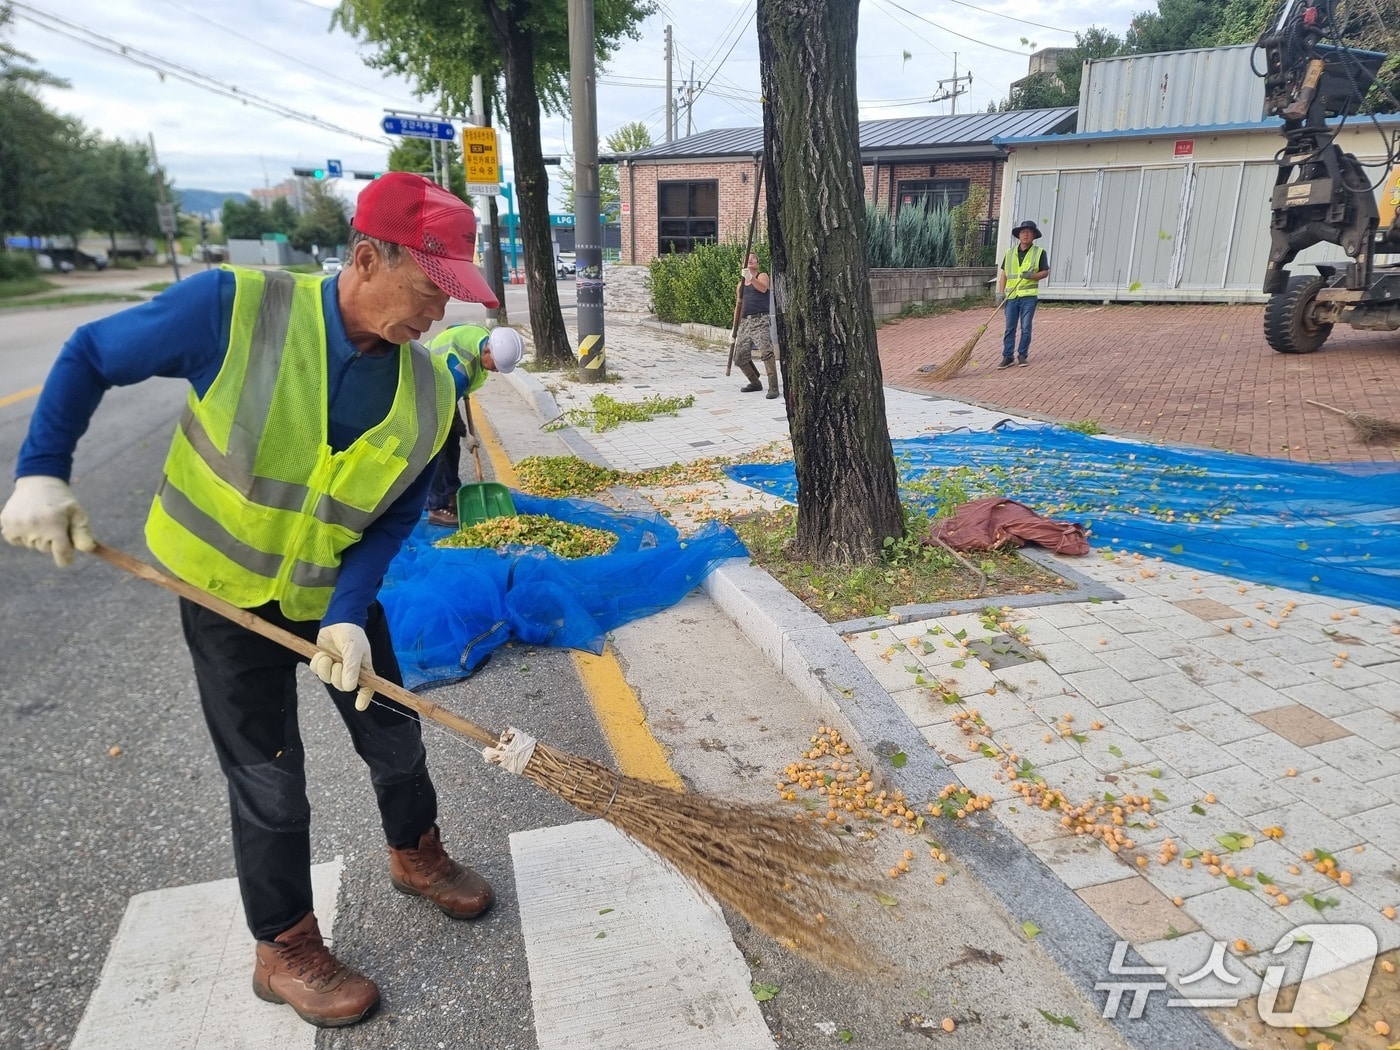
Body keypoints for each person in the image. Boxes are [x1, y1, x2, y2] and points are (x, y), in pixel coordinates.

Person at [1, 172, 502, 1030]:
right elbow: (91, 351)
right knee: (270, 781)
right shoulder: (235, 308)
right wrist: (42, 470)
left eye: (452, 300)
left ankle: (416, 855)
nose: (437, 317)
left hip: (325, 595)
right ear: (365, 258)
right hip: (221, 589)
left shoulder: (427, 392)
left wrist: (350, 609)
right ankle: (285, 946)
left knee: (394, 729)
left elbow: (393, 516)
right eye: (429, 292)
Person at [424, 324, 526, 528]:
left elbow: (453, 327)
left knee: (451, 445)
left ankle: (452, 493)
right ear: (487, 351)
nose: (497, 370)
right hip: (423, 390)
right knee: (439, 449)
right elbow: (446, 405)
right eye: (496, 365)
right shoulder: (460, 370)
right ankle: (436, 507)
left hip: (443, 386)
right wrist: (464, 433)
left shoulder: (483, 336)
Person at [997, 220, 1050, 369]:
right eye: (1023, 232)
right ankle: (1007, 356)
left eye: (1029, 232)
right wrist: (1001, 293)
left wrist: (1032, 276)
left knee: (1026, 327)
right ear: (1019, 235)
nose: (1025, 234)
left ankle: (1022, 355)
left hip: (1028, 296)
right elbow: (1004, 275)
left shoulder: (1039, 252)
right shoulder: (1009, 253)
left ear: (1033, 235)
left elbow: (1045, 272)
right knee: (1009, 328)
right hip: (1011, 297)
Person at [732, 251, 780, 399]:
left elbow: (763, 288)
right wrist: (734, 329)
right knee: (739, 357)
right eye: (748, 258)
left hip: (760, 320)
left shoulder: (762, 276)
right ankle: (755, 382)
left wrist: (751, 278)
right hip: (745, 322)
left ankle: (773, 387)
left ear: (757, 263)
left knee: (766, 352)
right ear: (743, 264)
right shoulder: (740, 284)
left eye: (753, 258)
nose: (750, 260)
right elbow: (738, 306)